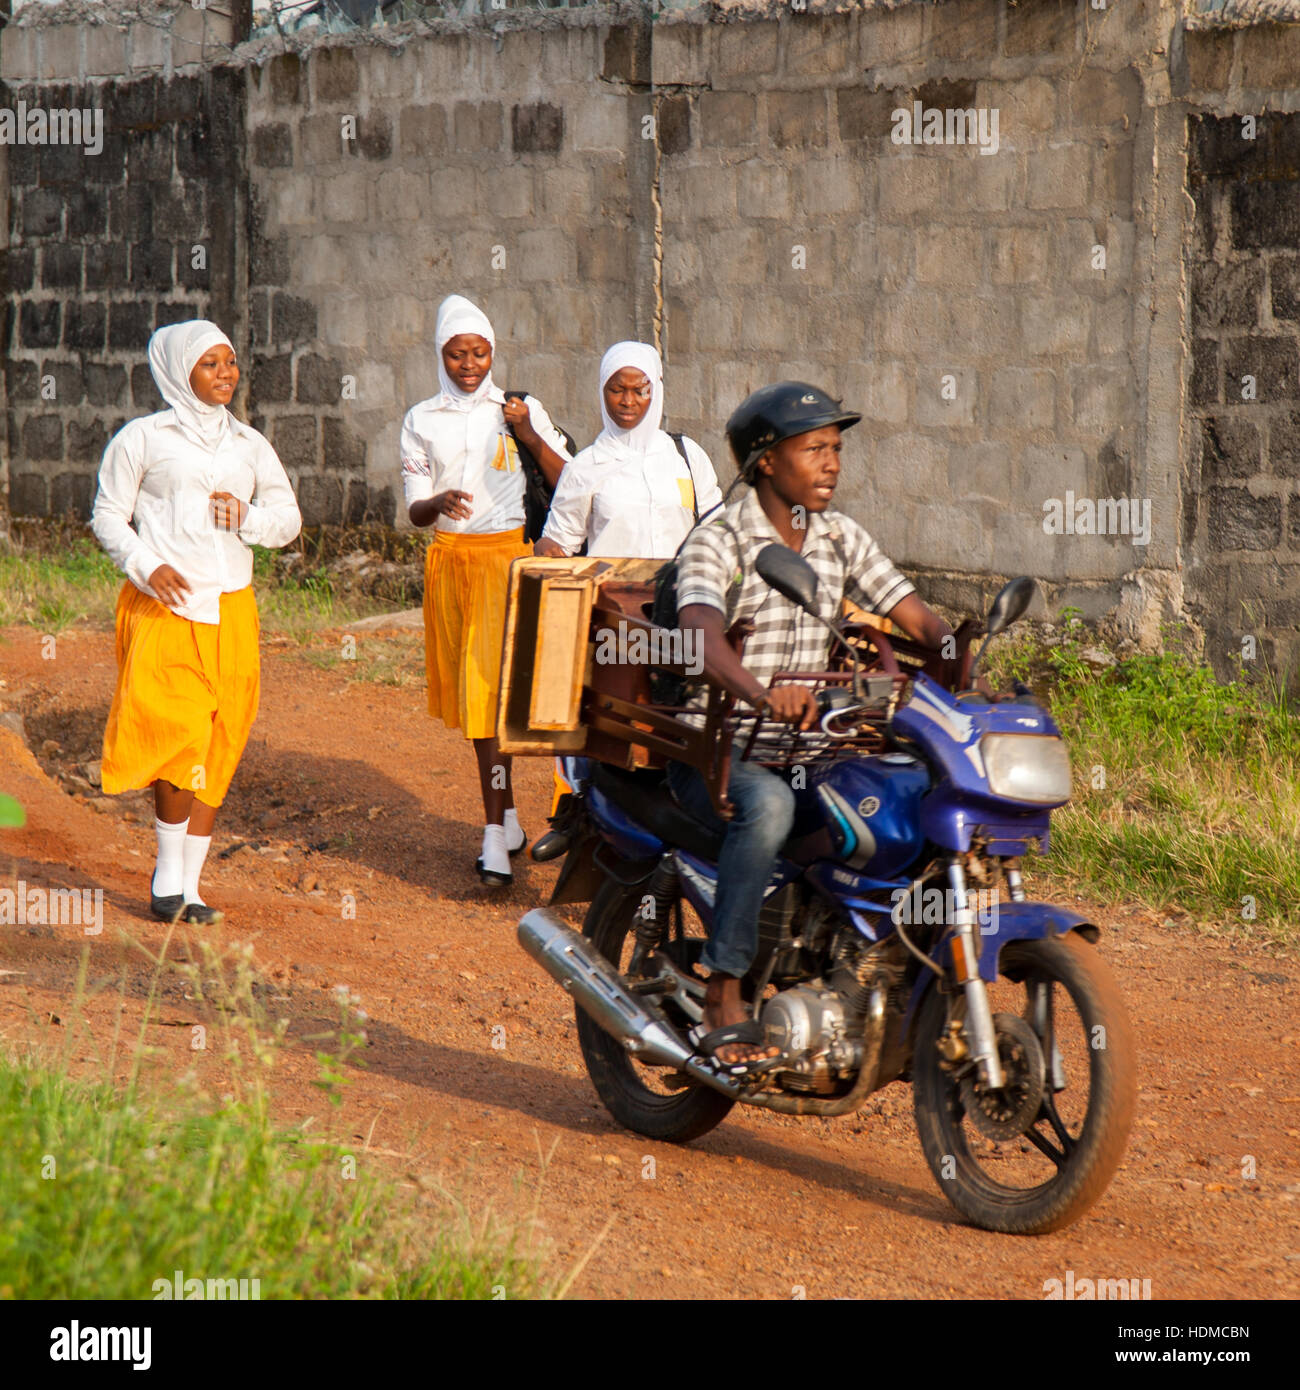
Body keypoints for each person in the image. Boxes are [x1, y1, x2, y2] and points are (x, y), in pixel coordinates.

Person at [666, 382, 954, 1072]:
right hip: (717, 746)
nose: (831, 464)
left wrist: (959, 663)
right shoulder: (723, 539)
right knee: (765, 808)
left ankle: (871, 964)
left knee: (906, 794)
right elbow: (700, 637)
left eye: (836, 449)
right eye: (814, 449)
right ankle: (724, 988)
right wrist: (762, 697)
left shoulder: (838, 536)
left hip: (809, 745)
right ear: (766, 461)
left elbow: (915, 616)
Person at [91, 319, 302, 925]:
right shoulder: (143, 439)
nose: (225, 375)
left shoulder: (249, 444)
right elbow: (108, 515)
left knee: (220, 739)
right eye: (210, 364)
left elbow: (286, 519)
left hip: (233, 610)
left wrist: (249, 520)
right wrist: (145, 564)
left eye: (229, 362)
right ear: (180, 371)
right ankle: (166, 873)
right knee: (179, 735)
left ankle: (191, 886)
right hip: (168, 607)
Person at [401, 294, 572, 887]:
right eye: (456, 354)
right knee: (481, 708)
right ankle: (502, 827)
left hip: (509, 565)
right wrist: (437, 503)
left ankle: (498, 833)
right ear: (440, 356)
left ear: (493, 353)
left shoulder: (519, 408)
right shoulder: (421, 419)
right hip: (452, 567)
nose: (468, 364)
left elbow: (567, 482)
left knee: (508, 707)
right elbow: (415, 510)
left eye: (479, 353)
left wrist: (526, 432)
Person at [534, 341, 722, 559]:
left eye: (640, 391)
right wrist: (548, 547)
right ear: (602, 390)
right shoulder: (584, 467)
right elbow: (560, 539)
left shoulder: (686, 456)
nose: (627, 401)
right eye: (616, 390)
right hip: (610, 590)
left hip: (678, 591)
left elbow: (715, 526)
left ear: (656, 391)